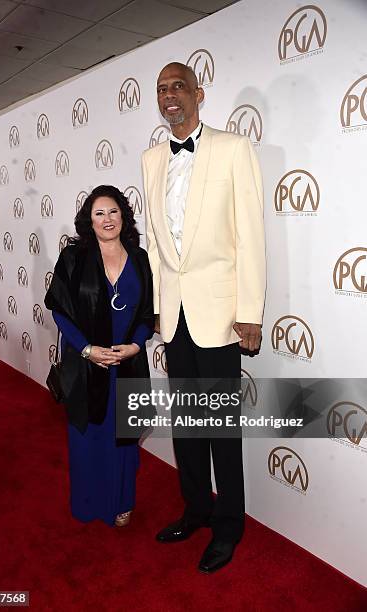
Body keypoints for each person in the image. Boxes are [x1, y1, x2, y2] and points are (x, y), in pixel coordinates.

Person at [142, 63, 266, 573]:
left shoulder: (233, 148)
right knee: (188, 426)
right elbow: (155, 240)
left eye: (177, 87)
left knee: (220, 428)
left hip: (219, 316)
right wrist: (154, 306)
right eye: (161, 90)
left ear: (199, 94)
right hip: (174, 316)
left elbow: (250, 234)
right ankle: (196, 509)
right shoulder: (151, 159)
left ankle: (229, 526)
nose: (169, 97)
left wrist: (250, 311)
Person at [44, 185, 154, 527]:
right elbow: (60, 310)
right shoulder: (73, 258)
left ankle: (122, 500)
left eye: (113, 212)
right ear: (88, 220)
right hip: (85, 363)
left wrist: (136, 345)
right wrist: (88, 350)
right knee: (87, 436)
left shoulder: (140, 258)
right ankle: (89, 500)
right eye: (99, 213)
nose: (108, 219)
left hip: (127, 363)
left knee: (123, 438)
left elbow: (148, 314)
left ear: (124, 215)